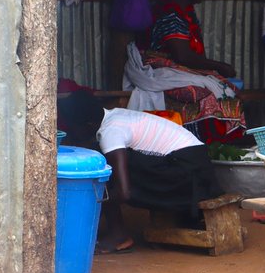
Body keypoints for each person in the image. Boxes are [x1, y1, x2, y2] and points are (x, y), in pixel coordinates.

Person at [58, 90, 223, 254]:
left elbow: (124, 193)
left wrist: (91, 204)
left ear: (88, 125)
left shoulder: (110, 131)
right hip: (198, 170)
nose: (71, 133)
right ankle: (117, 231)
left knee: (102, 173)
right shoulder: (115, 116)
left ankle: (118, 234)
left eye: (72, 128)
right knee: (108, 164)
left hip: (188, 178)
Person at [125, 0, 246, 143]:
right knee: (207, 94)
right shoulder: (170, 12)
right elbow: (182, 55)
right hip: (158, 67)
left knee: (224, 88)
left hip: (176, 67)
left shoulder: (185, 11)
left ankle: (223, 142)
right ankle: (206, 144)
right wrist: (219, 66)